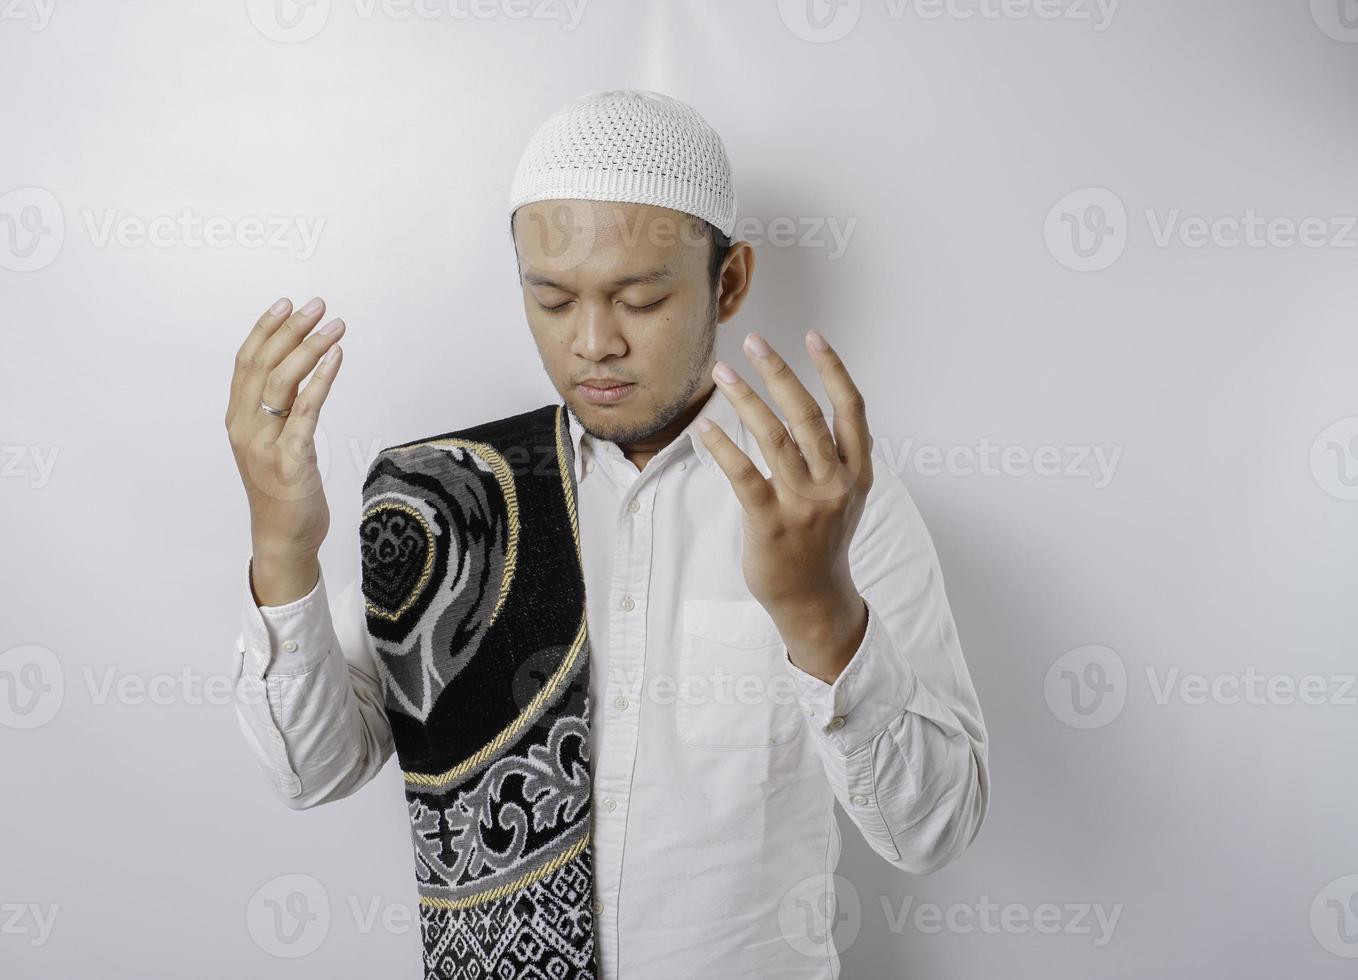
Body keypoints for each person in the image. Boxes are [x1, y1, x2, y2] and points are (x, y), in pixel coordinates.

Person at [224, 89, 988, 980]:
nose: (594, 344)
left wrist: (819, 613)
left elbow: (935, 828)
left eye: (638, 298)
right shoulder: (450, 501)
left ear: (729, 282)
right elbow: (311, 771)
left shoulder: (833, 501)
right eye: (552, 301)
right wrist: (282, 546)